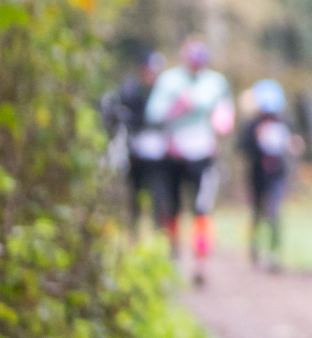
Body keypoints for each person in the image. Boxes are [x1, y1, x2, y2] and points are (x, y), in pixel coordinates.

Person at [146, 38, 234, 286]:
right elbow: (153, 114)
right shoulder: (169, 81)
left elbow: (225, 113)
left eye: (200, 62)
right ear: (184, 58)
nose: (196, 66)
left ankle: (200, 263)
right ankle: (172, 258)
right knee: (172, 209)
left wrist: (223, 121)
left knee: (202, 211)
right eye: (192, 61)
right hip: (174, 155)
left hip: (203, 154)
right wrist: (177, 107)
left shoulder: (216, 82)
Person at [100, 52, 168, 234]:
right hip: (135, 151)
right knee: (134, 194)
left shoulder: (165, 91)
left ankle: (159, 234)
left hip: (159, 155)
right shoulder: (130, 89)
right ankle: (133, 233)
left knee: (160, 196)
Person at [239, 79, 302, 271]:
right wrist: (255, 138)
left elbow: (296, 144)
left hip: (277, 174)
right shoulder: (251, 125)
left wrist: (294, 145)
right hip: (257, 175)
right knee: (257, 212)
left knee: (274, 213)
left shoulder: (285, 122)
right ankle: (255, 247)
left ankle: (274, 254)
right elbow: (242, 149)